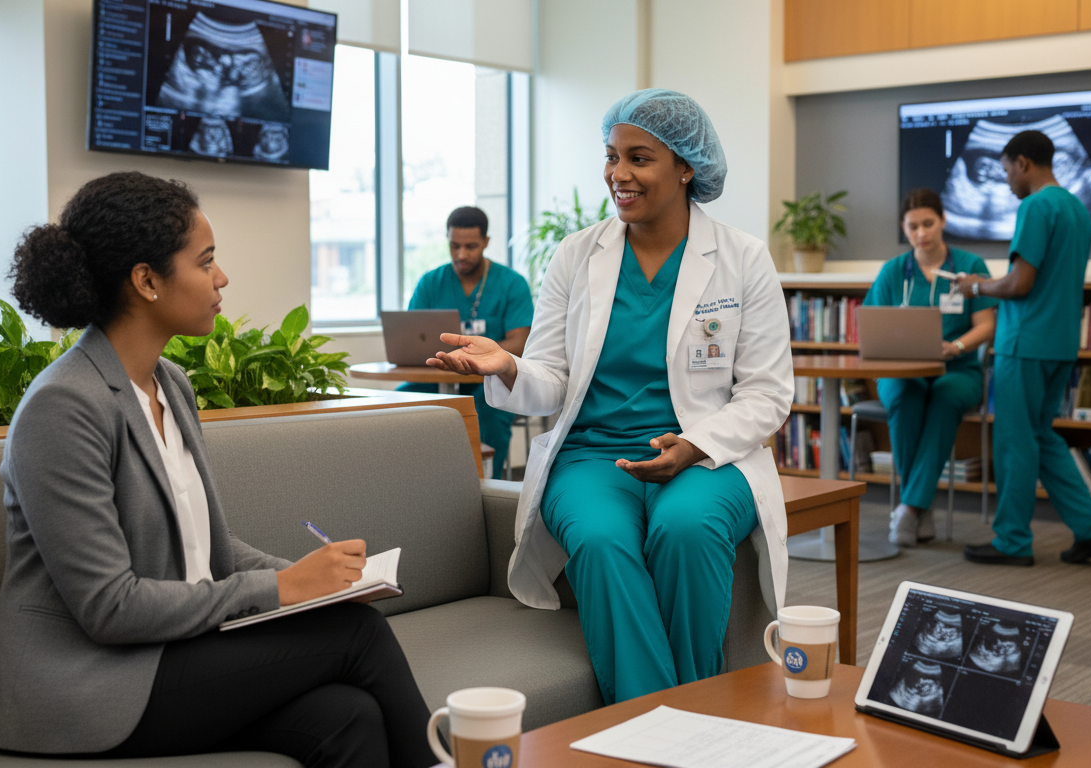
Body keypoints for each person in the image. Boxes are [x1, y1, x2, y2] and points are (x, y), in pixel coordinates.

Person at [0, 171, 437, 768]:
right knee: (359, 637)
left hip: (171, 652)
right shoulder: (62, 407)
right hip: (87, 682)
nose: (221, 278)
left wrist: (312, 584)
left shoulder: (171, 383)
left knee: (350, 716)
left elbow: (207, 549)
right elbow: (109, 606)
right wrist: (280, 590)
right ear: (146, 281)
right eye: (206, 261)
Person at [424, 89, 793, 705]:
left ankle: (687, 711)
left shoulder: (743, 259)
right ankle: (665, 723)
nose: (617, 174)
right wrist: (510, 366)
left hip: (706, 453)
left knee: (688, 529)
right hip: (593, 455)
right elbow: (552, 376)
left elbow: (766, 394)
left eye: (639, 158)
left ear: (686, 167)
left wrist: (694, 446)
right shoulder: (577, 256)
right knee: (598, 538)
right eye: (611, 155)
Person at [953, 130, 1091, 566]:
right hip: (1061, 341)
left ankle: (1011, 541)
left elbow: (1018, 283)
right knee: (1042, 437)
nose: (1006, 180)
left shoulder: (1035, 206)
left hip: (1024, 343)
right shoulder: (1077, 209)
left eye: (1007, 170)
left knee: (1014, 442)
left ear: (1023, 163)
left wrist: (975, 287)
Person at [862, 188, 997, 546]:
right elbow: (872, 324)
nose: (921, 233)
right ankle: (919, 506)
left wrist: (957, 346)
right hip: (901, 370)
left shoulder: (970, 267)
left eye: (928, 223)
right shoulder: (893, 271)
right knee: (904, 396)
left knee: (945, 397)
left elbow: (987, 324)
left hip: (958, 370)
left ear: (943, 221)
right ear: (904, 229)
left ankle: (908, 507)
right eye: (912, 227)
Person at [400, 206, 533, 478]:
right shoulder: (430, 283)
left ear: (486, 242)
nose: (462, 254)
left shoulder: (511, 284)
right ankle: (414, 481)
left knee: (490, 411)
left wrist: (474, 358)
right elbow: (411, 337)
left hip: (489, 384)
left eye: (471, 246)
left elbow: (520, 342)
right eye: (455, 246)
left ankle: (484, 487)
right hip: (436, 379)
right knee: (399, 402)